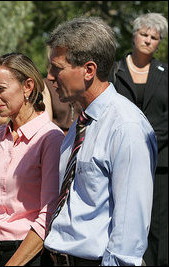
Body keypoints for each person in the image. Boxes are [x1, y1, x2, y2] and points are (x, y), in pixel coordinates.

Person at [43, 16, 158, 266]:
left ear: (89, 70)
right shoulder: (82, 122)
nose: (50, 77)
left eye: (57, 68)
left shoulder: (126, 127)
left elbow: (130, 229)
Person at [0, 53, 64, 266]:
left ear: (27, 86)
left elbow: (48, 215)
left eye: (0, 88)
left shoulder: (50, 138)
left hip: (29, 256)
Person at [108, 13, 168, 266]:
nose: (148, 40)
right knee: (123, 217)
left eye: (154, 37)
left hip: (160, 162)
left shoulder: (165, 73)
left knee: (158, 224)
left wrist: (146, 138)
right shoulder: (115, 70)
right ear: (134, 36)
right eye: (144, 34)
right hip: (121, 158)